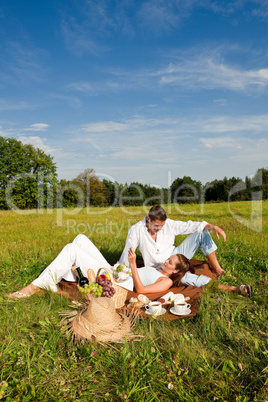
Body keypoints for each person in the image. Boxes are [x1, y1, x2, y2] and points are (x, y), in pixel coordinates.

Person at [8, 234, 252, 299]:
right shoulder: (162, 269)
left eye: (170, 262)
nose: (166, 260)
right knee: (80, 239)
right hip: (115, 272)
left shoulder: (166, 281)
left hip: (115, 282)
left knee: (72, 250)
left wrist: (134, 266)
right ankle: (58, 276)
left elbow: (142, 292)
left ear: (175, 271)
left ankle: (35, 286)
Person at [119, 205, 226, 277]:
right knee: (183, 280)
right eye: (156, 225)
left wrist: (212, 226)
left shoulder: (169, 224)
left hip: (174, 258)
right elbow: (128, 253)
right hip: (156, 270)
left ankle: (218, 269)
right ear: (148, 219)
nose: (159, 229)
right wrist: (121, 273)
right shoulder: (136, 230)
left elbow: (189, 226)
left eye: (162, 226)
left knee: (202, 232)